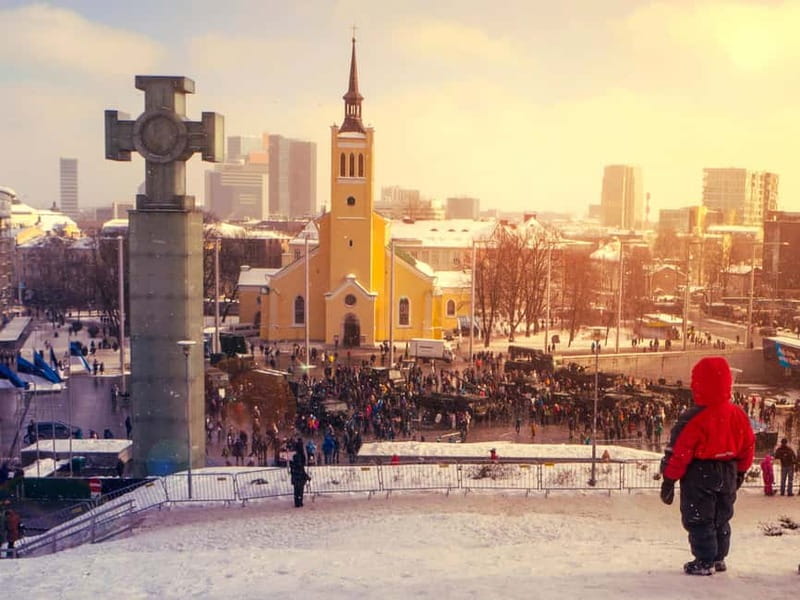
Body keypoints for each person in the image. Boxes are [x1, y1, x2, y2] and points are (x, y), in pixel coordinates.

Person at [660, 356, 755, 576]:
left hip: (700, 472)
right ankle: (719, 557)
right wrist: (740, 471)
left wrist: (669, 479)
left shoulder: (693, 417)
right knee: (721, 516)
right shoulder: (737, 414)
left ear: (699, 384)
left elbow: (679, 452)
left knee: (699, 516)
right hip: (729, 469)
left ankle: (704, 560)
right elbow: (748, 445)